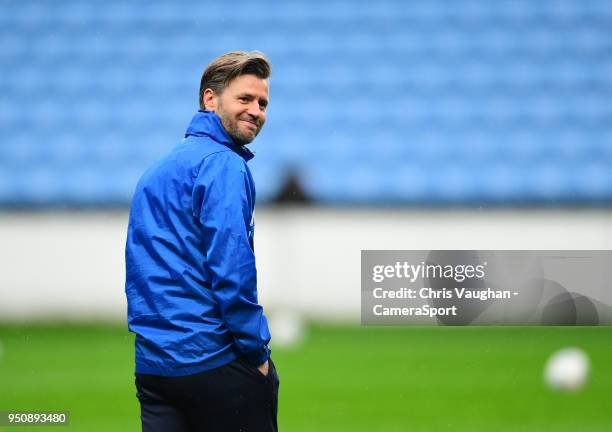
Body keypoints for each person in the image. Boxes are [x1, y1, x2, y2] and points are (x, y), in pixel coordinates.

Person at [125, 51, 278, 432]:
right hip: (215, 363)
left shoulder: (157, 171)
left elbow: (141, 270)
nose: (256, 110)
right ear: (211, 99)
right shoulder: (223, 163)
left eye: (262, 103)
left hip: (155, 369)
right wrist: (257, 352)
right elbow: (232, 268)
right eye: (245, 99)